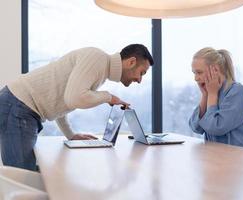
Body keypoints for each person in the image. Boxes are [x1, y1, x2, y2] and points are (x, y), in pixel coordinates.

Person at [0, 44, 154, 170]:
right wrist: (108, 97)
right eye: (142, 73)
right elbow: (74, 98)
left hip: (18, 106)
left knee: (29, 175)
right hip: (17, 106)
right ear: (131, 62)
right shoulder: (98, 59)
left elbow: (61, 101)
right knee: (23, 177)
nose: (139, 80)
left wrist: (71, 135)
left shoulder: (100, 68)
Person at [189, 47, 243, 148]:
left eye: (199, 72)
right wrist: (205, 95)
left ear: (215, 70)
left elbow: (215, 128)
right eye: (194, 73)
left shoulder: (237, 92)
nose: (196, 78)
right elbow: (195, 127)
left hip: (237, 157)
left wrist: (211, 95)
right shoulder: (211, 92)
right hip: (215, 155)